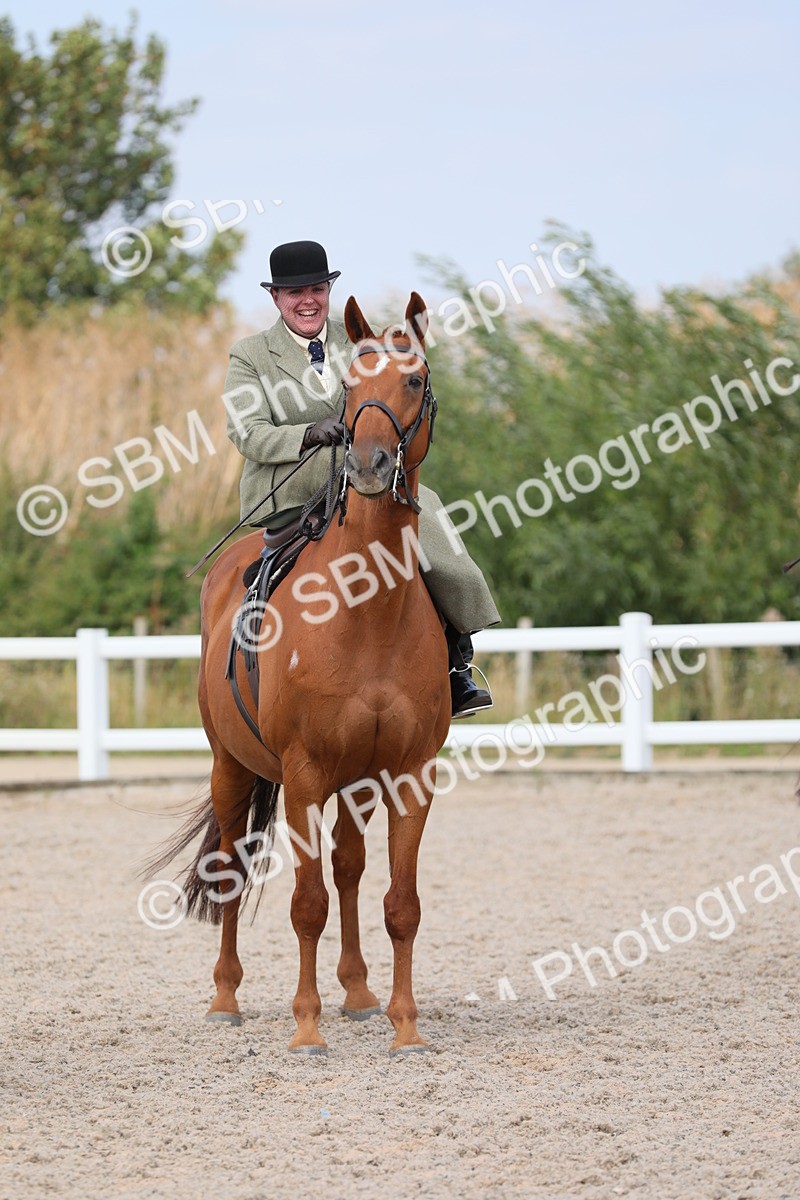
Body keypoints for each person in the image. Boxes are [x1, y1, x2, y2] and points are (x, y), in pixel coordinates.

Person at [223, 239, 500, 717]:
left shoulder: (357, 344)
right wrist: (308, 433)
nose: (307, 300)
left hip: (361, 477)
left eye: (316, 289)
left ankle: (457, 662)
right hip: (289, 486)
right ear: (276, 298)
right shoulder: (250, 355)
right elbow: (245, 432)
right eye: (295, 293)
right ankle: (256, 670)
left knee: (427, 510)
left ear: (328, 291)